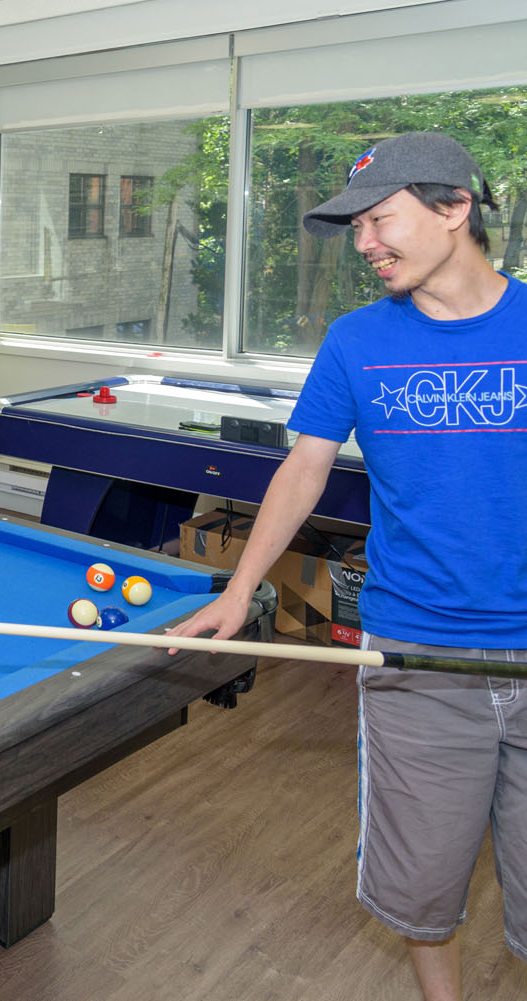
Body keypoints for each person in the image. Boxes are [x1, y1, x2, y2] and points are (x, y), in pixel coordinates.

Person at [168, 132, 527, 1000]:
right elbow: (305, 465)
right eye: (356, 226)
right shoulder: (356, 340)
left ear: (454, 209)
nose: (364, 243)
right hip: (412, 658)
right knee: (421, 888)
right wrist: (240, 588)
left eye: (380, 220)